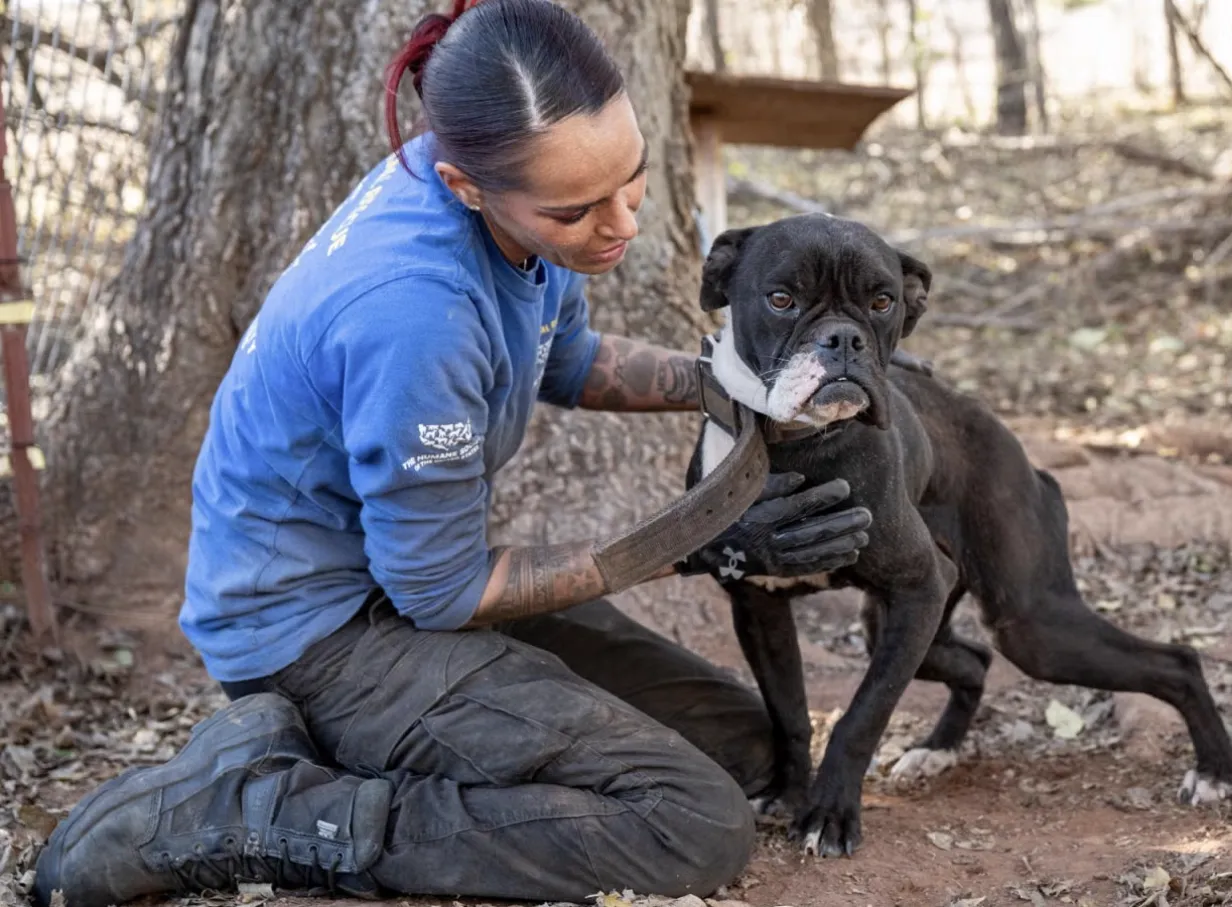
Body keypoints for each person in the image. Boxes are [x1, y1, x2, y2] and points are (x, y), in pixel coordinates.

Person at [28, 2, 880, 904]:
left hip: (407, 587)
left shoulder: (519, 198)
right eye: (578, 208)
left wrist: (733, 382)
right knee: (694, 819)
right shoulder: (414, 311)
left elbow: (569, 357)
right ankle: (261, 806)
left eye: (631, 180)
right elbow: (439, 591)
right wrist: (702, 541)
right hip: (315, 632)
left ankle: (323, 749)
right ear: (464, 185)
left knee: (747, 744)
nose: (621, 224)